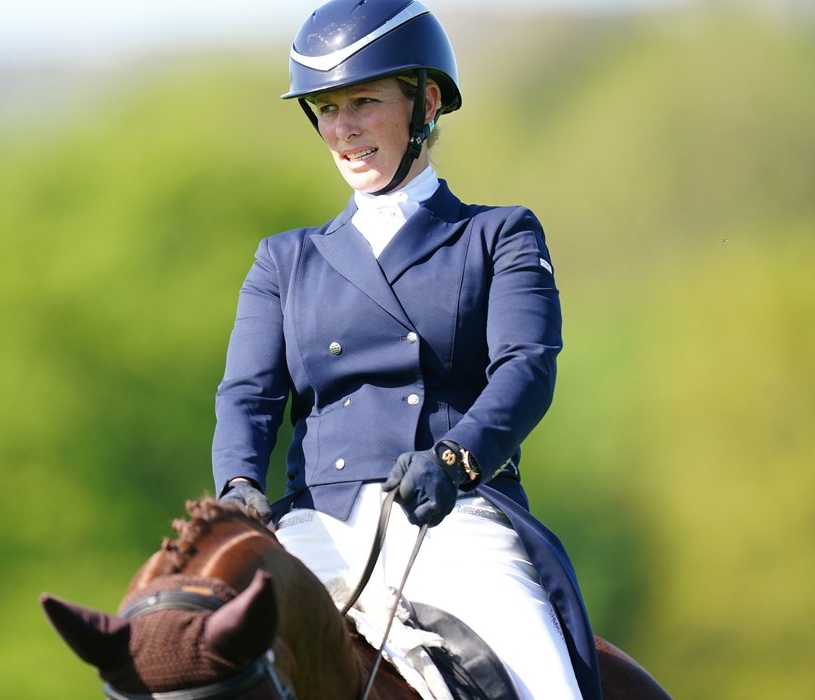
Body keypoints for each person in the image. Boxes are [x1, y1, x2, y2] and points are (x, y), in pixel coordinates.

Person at [212, 1, 602, 697]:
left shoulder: (498, 236)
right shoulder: (284, 261)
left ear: (423, 103)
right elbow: (249, 395)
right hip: (315, 524)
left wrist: (455, 461)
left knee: (547, 682)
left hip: (449, 511)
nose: (344, 129)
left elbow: (526, 368)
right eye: (326, 109)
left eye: (363, 101)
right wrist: (239, 485)